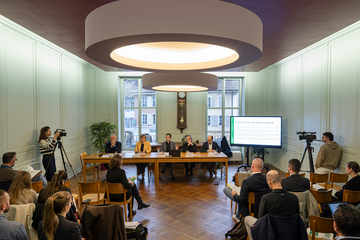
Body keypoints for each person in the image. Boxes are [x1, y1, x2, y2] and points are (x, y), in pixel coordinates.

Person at [245, 170, 300, 240]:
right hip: (289, 233)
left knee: (246, 219)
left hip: (270, 233)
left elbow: (260, 220)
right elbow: (296, 217)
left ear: (269, 181)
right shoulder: (294, 198)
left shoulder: (266, 198)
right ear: (280, 179)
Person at [223, 158, 270, 222]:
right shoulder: (268, 179)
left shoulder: (247, 182)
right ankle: (237, 214)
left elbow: (242, 200)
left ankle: (238, 216)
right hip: (263, 207)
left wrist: (234, 195)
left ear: (252, 166)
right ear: (262, 167)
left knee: (226, 189)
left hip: (249, 208)